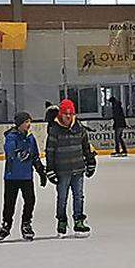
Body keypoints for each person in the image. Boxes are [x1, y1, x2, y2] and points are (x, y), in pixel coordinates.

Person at [45, 99, 96, 237]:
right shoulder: (54, 130)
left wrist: (91, 162)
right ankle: (61, 220)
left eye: (71, 113)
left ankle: (79, 220)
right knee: (62, 197)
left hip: (78, 169)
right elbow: (49, 151)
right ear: (60, 114)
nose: (68, 116)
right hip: (62, 170)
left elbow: (87, 147)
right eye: (66, 113)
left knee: (79, 196)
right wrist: (50, 170)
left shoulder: (79, 128)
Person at [0, 112, 47, 242]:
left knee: (30, 201)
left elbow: (35, 156)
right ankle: (6, 225)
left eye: (29, 121)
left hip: (26, 176)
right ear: (19, 124)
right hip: (11, 177)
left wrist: (41, 171)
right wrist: (25, 154)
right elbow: (12, 153)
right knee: (9, 203)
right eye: (26, 122)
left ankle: (26, 223)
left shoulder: (31, 138)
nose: (28, 124)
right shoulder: (11, 137)